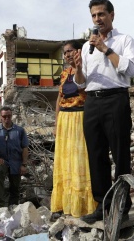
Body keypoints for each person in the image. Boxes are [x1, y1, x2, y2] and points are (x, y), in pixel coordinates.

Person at [73, 0, 134, 224]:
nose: (97, 19)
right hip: (92, 102)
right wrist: (78, 69)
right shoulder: (85, 46)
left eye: (101, 14)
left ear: (112, 15)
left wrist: (105, 48)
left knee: (120, 155)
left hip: (115, 99)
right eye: (93, 16)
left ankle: (122, 206)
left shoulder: (124, 40)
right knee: (96, 154)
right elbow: (81, 83)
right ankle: (101, 204)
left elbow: (130, 70)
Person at [50, 40, 97, 218]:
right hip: (64, 119)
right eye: (65, 52)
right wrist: (56, 123)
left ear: (79, 51)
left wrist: (79, 67)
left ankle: (83, 205)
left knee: (79, 160)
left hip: (79, 117)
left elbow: (84, 88)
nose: (67, 55)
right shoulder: (63, 73)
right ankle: (63, 203)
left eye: (70, 51)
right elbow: (59, 99)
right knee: (64, 159)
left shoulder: (87, 69)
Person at [0, 106, 28, 207]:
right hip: (2, 162)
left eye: (9, 116)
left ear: (11, 116)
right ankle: (0, 204)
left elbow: (25, 148)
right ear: (1, 117)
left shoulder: (20, 131)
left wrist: (24, 164)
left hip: (16, 162)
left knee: (15, 186)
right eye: (4, 116)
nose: (7, 118)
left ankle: (13, 205)